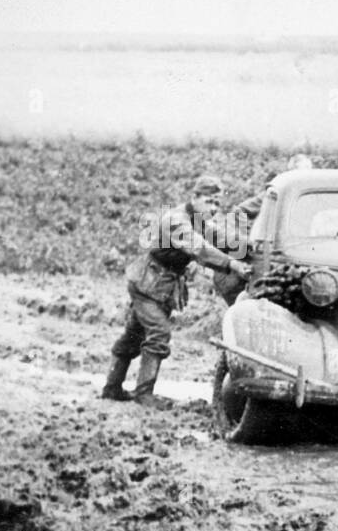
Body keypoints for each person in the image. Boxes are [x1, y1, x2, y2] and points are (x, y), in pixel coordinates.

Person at [101, 175, 251, 408]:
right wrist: (232, 264)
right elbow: (198, 248)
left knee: (133, 335)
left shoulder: (198, 219)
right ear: (195, 197)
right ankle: (144, 394)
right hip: (147, 283)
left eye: (217, 204)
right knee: (159, 333)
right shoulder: (176, 220)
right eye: (209, 201)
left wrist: (249, 244)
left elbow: (219, 237)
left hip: (160, 285)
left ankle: (111, 388)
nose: (213, 208)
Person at [211, 153, 313, 305]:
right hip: (274, 254)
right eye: (301, 172)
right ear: (291, 173)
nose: (306, 177)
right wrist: (248, 241)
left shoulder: (310, 197)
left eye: (308, 171)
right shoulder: (278, 193)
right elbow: (240, 212)